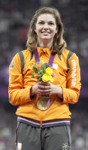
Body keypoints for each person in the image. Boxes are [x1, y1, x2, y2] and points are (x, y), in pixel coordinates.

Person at [8, 6, 81, 150]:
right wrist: (32, 90)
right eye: (41, 23)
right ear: (34, 28)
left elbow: (74, 95)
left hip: (58, 123)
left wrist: (57, 90)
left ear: (57, 29)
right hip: (27, 123)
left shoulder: (70, 58)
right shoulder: (20, 58)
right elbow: (12, 96)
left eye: (50, 24)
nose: (45, 27)